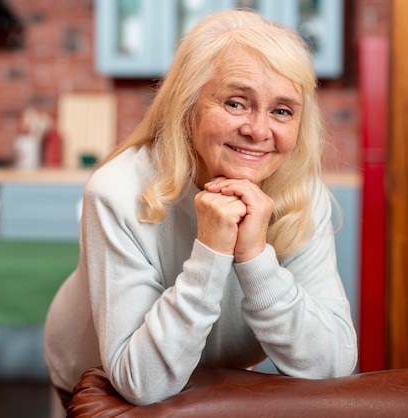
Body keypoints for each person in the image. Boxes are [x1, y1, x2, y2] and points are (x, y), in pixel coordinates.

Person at [44, 9, 358, 408]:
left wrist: (255, 257)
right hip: (97, 381)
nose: (259, 131)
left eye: (282, 110)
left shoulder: (302, 194)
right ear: (186, 104)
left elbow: (332, 365)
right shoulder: (117, 191)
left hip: (213, 381)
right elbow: (141, 382)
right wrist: (210, 252)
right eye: (235, 103)